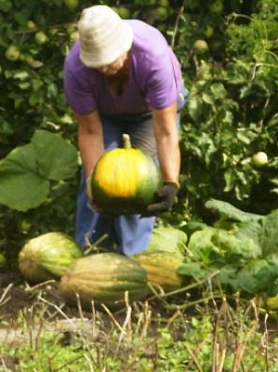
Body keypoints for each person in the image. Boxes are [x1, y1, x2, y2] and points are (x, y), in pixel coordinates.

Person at [63, 5, 187, 257]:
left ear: (126, 47)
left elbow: (165, 130)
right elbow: (89, 130)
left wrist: (171, 182)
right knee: (100, 182)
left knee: (138, 182)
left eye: (109, 62)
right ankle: (91, 258)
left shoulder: (154, 59)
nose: (103, 70)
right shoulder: (76, 67)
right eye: (96, 65)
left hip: (149, 115)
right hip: (105, 114)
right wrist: (91, 184)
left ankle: (132, 261)